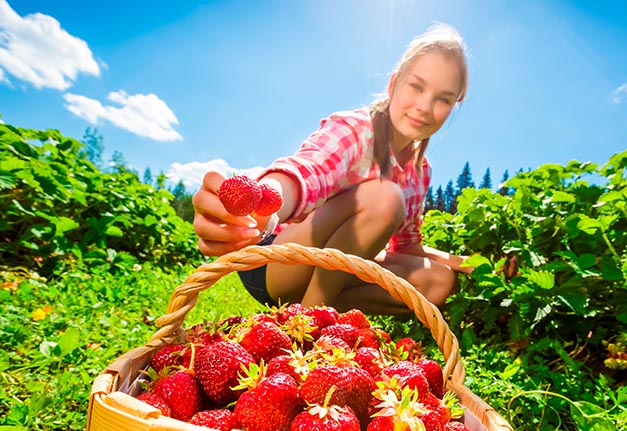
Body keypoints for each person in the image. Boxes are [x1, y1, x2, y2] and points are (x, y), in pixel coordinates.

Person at [192, 23, 475, 315]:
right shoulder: (355, 130)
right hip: (274, 260)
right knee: (385, 197)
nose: (425, 106)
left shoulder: (419, 171)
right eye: (416, 86)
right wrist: (264, 202)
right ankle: (310, 323)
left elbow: (406, 247)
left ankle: (307, 311)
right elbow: (308, 172)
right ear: (393, 85)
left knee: (439, 281)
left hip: (323, 270)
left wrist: (467, 262)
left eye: (443, 99)